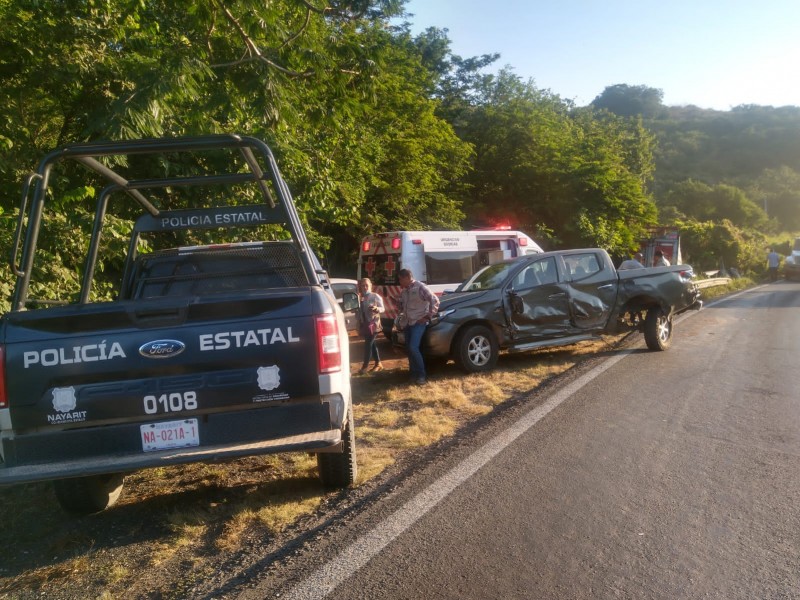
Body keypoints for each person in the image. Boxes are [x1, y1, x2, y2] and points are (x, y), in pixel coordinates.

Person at [397, 268, 440, 385]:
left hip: (418, 322)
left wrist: (427, 317)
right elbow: (402, 307)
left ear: (407, 278)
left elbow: (435, 301)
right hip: (407, 323)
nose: (399, 282)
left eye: (400, 279)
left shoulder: (420, 287)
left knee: (413, 347)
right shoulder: (404, 291)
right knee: (410, 350)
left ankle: (422, 375)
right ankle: (413, 374)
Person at [356, 278, 385, 375]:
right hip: (365, 324)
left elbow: (383, 308)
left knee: (368, 344)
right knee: (372, 344)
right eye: (362, 285)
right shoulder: (360, 298)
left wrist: (377, 308)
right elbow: (360, 312)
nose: (364, 287)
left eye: (366, 285)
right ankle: (378, 363)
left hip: (374, 324)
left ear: (370, 286)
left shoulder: (375, 296)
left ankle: (364, 367)